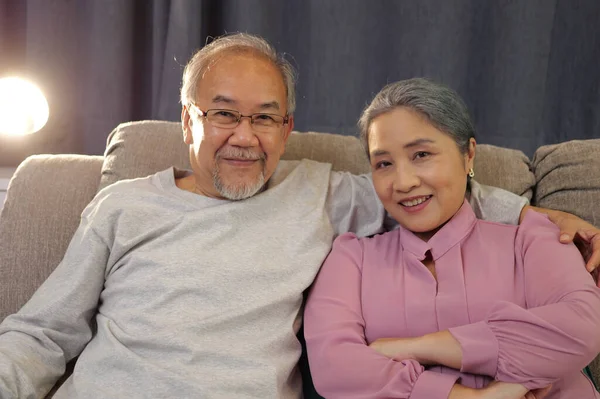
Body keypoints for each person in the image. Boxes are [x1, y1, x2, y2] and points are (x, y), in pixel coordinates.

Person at [0, 34, 597, 399]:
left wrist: (534, 211)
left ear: (287, 129)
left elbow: (418, 189)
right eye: (222, 114)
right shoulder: (122, 204)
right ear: (187, 121)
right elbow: (43, 333)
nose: (243, 137)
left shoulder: (322, 192)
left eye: (264, 118)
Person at [304, 78, 600, 399]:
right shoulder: (351, 258)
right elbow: (333, 368)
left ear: (468, 155)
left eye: (421, 155)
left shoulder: (535, 238)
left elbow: (582, 329)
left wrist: (418, 348)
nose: (403, 182)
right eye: (384, 163)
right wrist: (473, 396)